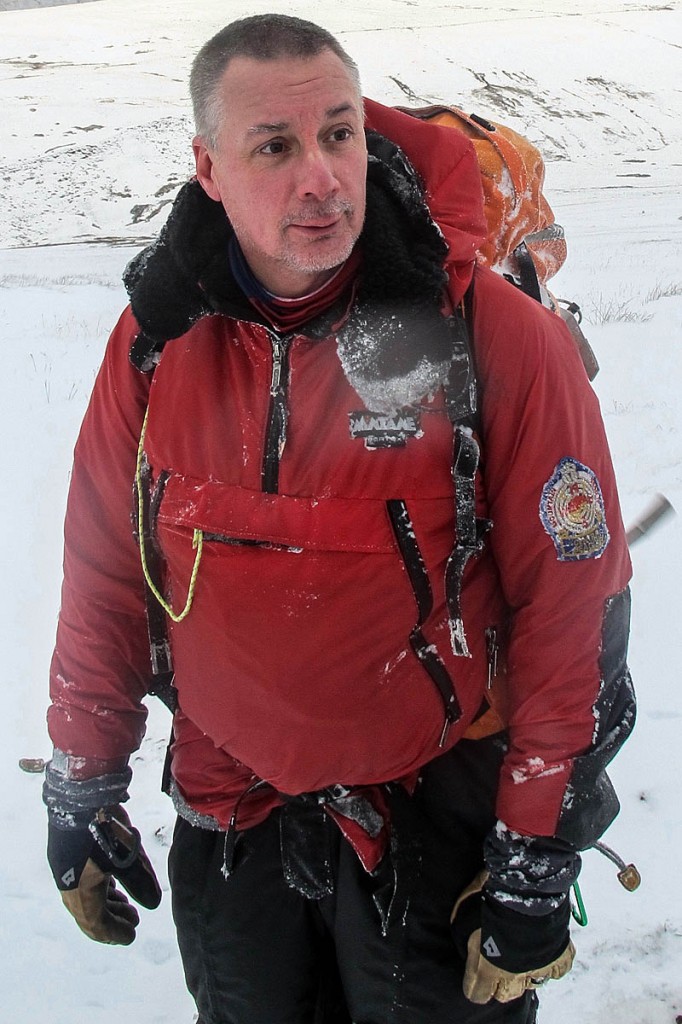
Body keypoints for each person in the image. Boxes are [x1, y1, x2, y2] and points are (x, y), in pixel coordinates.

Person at [43, 14, 636, 1024]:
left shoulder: (489, 335)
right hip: (231, 811)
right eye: (274, 146)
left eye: (339, 133)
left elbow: (570, 604)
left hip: (433, 807)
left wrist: (536, 847)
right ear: (210, 168)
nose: (320, 176)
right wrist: (83, 784)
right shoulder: (157, 342)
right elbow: (105, 572)